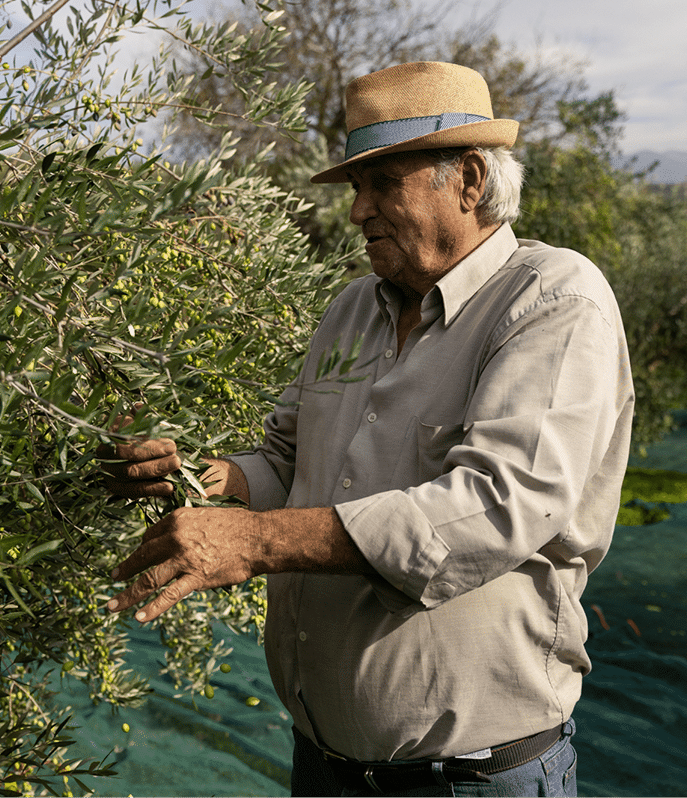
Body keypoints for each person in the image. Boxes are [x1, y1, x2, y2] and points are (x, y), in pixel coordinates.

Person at [102, 61, 635, 797]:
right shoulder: (355, 309)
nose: (357, 211)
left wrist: (252, 543)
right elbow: (290, 462)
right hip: (324, 766)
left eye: (383, 183)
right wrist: (196, 479)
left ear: (469, 180)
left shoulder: (552, 300)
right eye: (357, 187)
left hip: (467, 781)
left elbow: (497, 502)